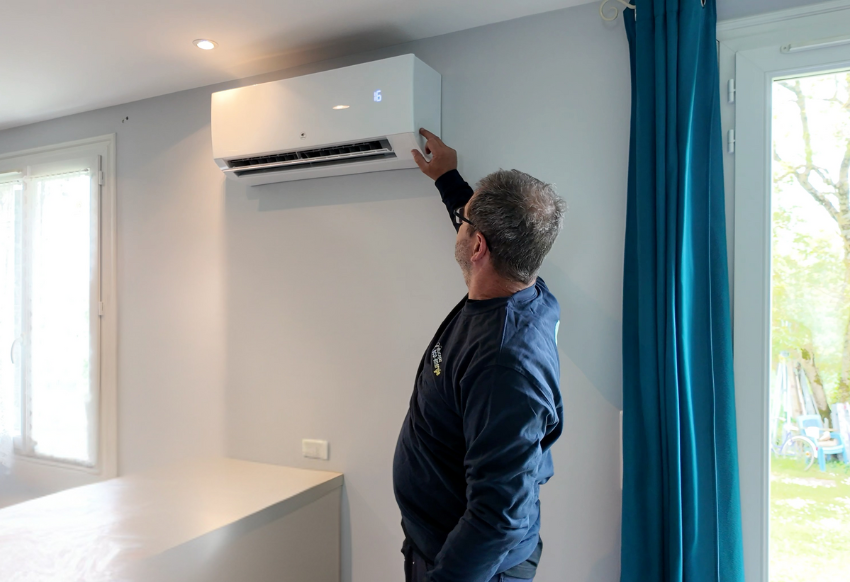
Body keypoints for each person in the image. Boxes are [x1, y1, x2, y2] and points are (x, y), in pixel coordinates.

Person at [393, 129, 566, 582]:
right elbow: (484, 233)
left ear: (478, 247)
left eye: (465, 221)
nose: (461, 223)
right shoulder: (525, 289)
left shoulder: (504, 364)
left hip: (468, 569)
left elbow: (497, 518)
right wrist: (448, 179)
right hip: (437, 542)